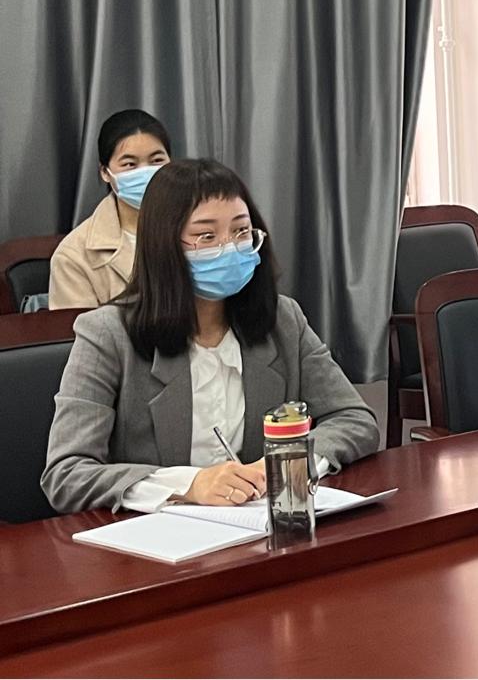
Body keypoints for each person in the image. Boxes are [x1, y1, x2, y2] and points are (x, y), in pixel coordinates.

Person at [42, 159, 379, 514]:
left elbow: (354, 419)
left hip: (256, 526)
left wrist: (286, 464)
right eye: (207, 237)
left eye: (241, 231)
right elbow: (66, 474)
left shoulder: (283, 320)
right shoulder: (107, 334)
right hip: (155, 536)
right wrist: (187, 486)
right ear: (164, 246)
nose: (229, 247)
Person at [49, 109, 173, 309]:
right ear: (105, 172)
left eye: (157, 161)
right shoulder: (74, 255)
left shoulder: (200, 225)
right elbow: (77, 328)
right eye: (130, 164)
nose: (145, 172)